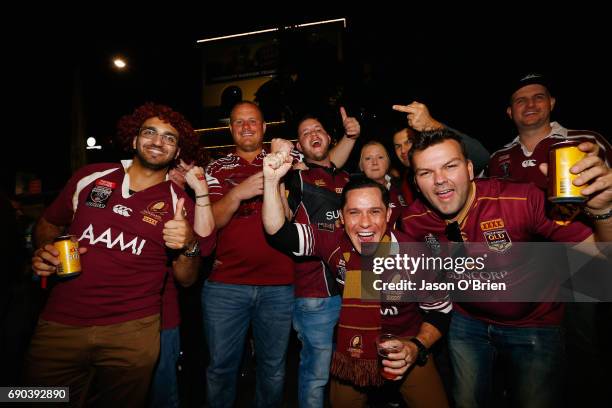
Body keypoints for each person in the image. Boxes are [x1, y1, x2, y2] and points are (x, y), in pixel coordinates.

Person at [400, 128, 612, 407]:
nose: (440, 180)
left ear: (469, 168)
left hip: (534, 324)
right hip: (466, 323)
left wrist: (603, 211)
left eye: (450, 166)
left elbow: (602, 257)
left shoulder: (521, 200)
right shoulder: (414, 220)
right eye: (426, 172)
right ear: (416, 182)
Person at [26, 102, 216, 407]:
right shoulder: (90, 176)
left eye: (169, 138)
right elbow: (49, 222)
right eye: (150, 132)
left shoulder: (179, 203)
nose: (157, 142)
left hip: (132, 331)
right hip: (60, 324)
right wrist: (44, 248)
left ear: (178, 152)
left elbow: (186, 279)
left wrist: (188, 243)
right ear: (133, 139)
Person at [263, 153, 451, 408]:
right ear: (341, 217)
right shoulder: (332, 242)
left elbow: (439, 312)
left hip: (405, 348)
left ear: (388, 215)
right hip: (353, 353)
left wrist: (416, 346)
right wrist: (272, 181)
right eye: (354, 213)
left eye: (374, 212)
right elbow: (278, 233)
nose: (364, 223)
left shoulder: (417, 255)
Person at [487, 72, 612, 405]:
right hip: (525, 265)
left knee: (582, 345)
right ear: (509, 112)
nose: (530, 104)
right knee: (531, 346)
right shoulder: (499, 158)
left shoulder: (585, 141)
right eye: (520, 100)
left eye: (538, 96)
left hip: (583, 256)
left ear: (552, 103)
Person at [203, 101, 295, 408]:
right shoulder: (215, 168)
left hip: (279, 285)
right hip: (226, 285)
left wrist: (277, 179)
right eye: (239, 122)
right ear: (230, 129)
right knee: (220, 369)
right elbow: (209, 223)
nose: (246, 127)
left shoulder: (286, 162)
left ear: (264, 127)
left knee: (272, 369)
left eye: (253, 121)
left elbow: (295, 220)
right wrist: (238, 192)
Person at [282, 107, 358, 407]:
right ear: (299, 146)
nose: (313, 135)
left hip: (356, 288)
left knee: (354, 366)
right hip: (315, 295)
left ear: (329, 137)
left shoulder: (351, 180)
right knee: (316, 375)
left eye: (318, 129)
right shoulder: (293, 180)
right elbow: (277, 222)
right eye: (305, 133)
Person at [392, 102, 490, 203]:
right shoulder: (403, 184)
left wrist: (431, 125)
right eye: (398, 146)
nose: (403, 150)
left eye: (409, 141)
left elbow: (482, 158)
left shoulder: (442, 159)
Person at [359, 140, 407, 229]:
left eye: (380, 157)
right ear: (361, 166)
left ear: (388, 162)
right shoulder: (355, 195)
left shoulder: (404, 186)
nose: (374, 163)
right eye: (368, 158)